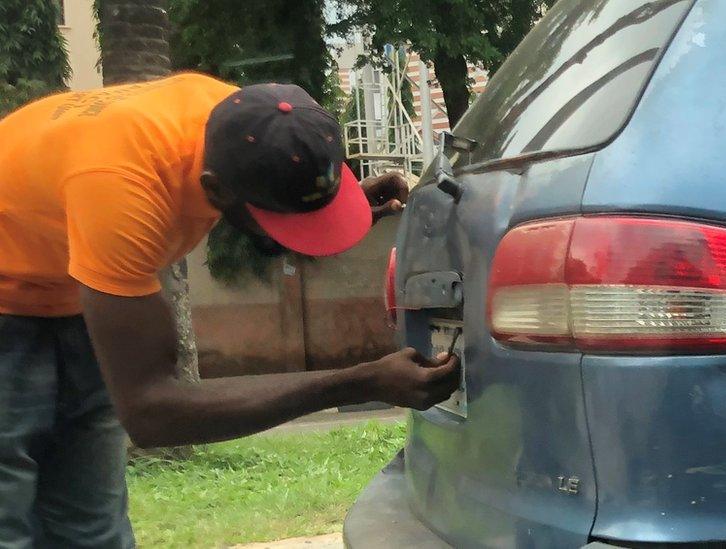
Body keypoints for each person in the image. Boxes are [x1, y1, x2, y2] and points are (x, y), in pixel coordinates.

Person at [0, 73, 459, 548]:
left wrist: (321, 204)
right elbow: (152, 411)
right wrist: (358, 381)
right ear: (215, 191)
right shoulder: (120, 190)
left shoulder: (250, 121)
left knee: (90, 525)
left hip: (68, 285)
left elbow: (269, 174)